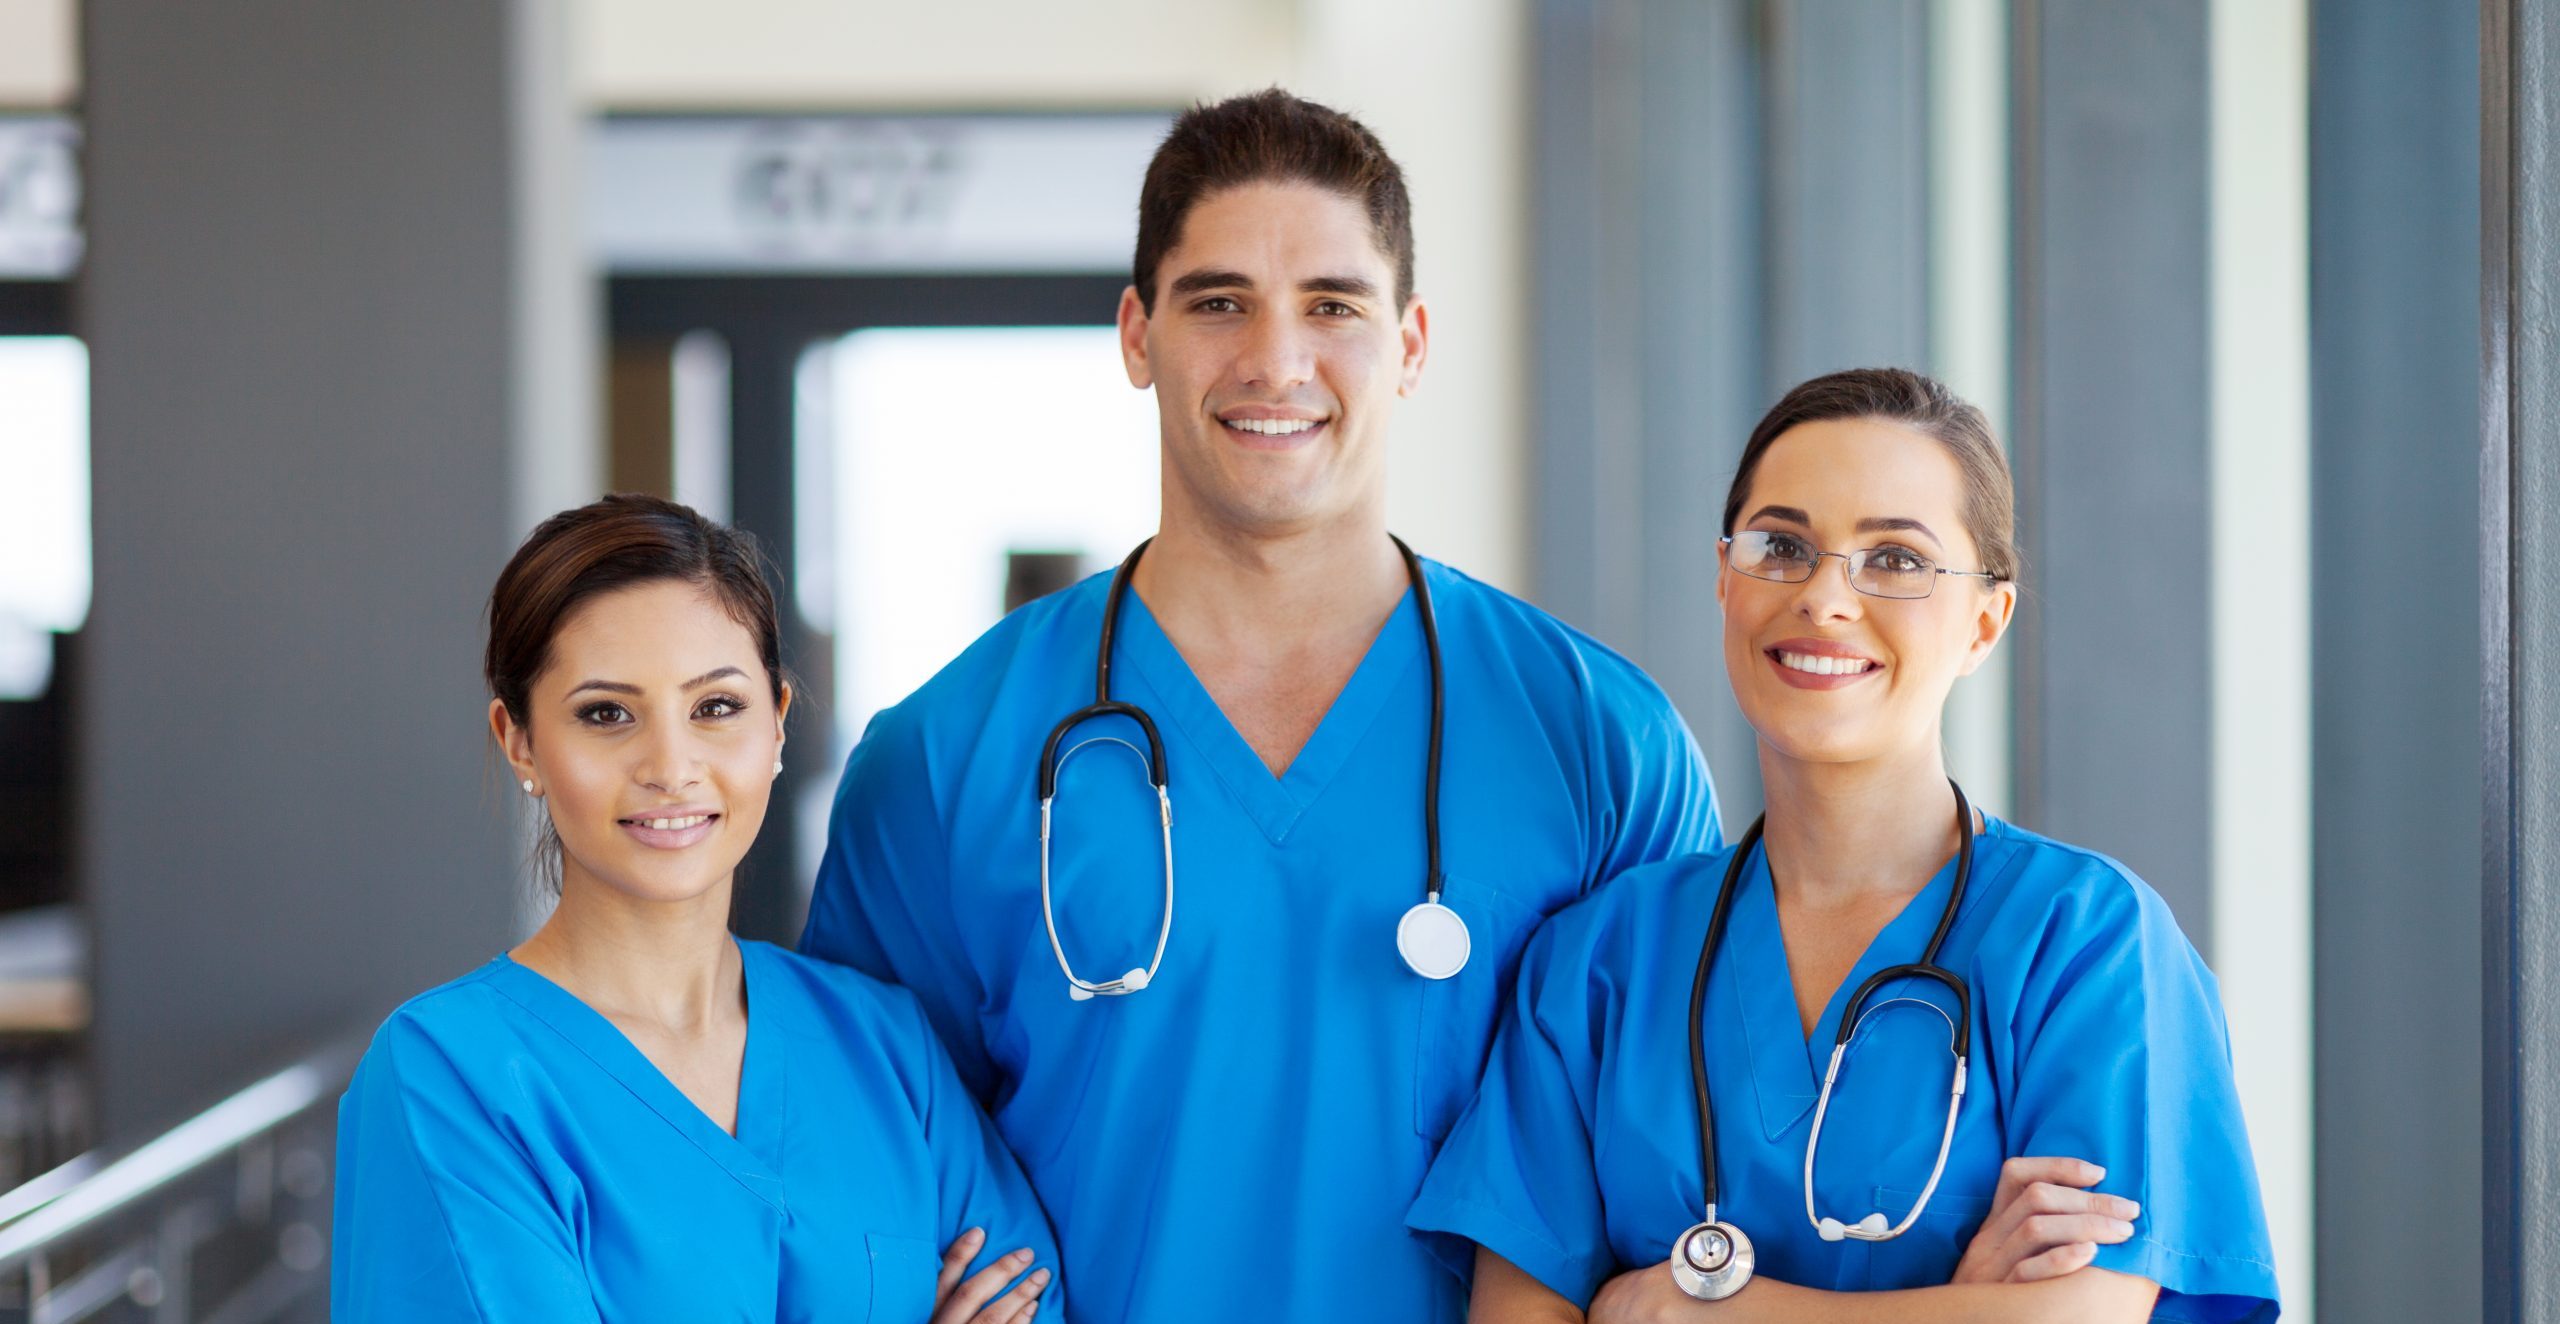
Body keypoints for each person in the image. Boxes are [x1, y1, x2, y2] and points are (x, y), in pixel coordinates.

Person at [801, 90, 1719, 1322]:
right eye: (1218, 301)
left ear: (1411, 343)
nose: (1275, 361)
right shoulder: (943, 758)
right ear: (1137, 335)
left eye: (1333, 306)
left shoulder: (1602, 744)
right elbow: (857, 1175)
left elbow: (1687, 1163)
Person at [1409, 369, 2281, 1323]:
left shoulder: (2086, 940)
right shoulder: (1600, 960)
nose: (1824, 598)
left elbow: (2084, 1309)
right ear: (1724, 576)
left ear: (1986, 619)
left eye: (1897, 560)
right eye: (1781, 546)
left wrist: (1704, 1309)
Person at [332, 495, 1061, 1322]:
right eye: (606, 714)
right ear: (520, 741)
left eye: (716, 707)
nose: (671, 766)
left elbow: (1035, 1297)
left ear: (778, 725)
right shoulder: (451, 1076)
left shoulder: (885, 1047)